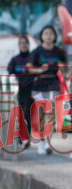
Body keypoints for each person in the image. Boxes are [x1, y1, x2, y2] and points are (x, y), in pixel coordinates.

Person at [28, 25, 68, 155]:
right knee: (41, 116)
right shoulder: (36, 52)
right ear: (41, 36)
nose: (49, 36)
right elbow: (29, 67)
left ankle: (47, 142)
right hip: (38, 87)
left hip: (54, 85)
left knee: (50, 113)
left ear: (55, 36)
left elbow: (65, 70)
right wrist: (39, 70)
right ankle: (42, 142)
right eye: (46, 33)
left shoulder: (59, 52)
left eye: (51, 33)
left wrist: (62, 68)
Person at [7, 34, 35, 145]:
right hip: (18, 91)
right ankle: (20, 138)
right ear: (19, 45)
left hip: (30, 90)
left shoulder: (33, 58)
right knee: (18, 114)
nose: (24, 45)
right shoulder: (15, 60)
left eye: (25, 43)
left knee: (27, 114)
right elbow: (9, 73)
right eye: (22, 43)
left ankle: (26, 138)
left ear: (28, 44)